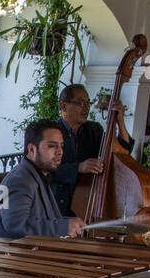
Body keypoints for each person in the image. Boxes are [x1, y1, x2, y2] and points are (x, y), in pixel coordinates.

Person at [49, 83, 135, 220]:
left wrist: (120, 121)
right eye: (81, 103)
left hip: (87, 202)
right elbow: (45, 170)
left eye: (88, 102)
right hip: (56, 205)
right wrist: (78, 168)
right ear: (64, 106)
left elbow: (121, 154)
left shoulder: (94, 130)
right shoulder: (50, 132)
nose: (86, 108)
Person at [0, 119, 87, 240]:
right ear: (31, 149)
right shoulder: (18, 180)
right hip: (11, 256)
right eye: (52, 146)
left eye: (61, 146)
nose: (60, 152)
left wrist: (69, 223)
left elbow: (43, 219)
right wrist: (62, 227)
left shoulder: (37, 174)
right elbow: (15, 224)